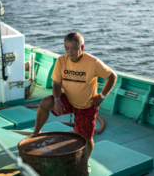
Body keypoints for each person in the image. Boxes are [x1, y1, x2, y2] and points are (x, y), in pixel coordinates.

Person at [33, 32, 117, 173]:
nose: (69, 52)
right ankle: (36, 134)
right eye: (66, 48)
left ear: (82, 47)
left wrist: (102, 96)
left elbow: (113, 76)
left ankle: (85, 161)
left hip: (86, 105)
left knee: (86, 137)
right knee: (45, 102)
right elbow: (56, 85)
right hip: (68, 100)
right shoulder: (61, 61)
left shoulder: (93, 62)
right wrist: (58, 100)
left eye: (73, 48)